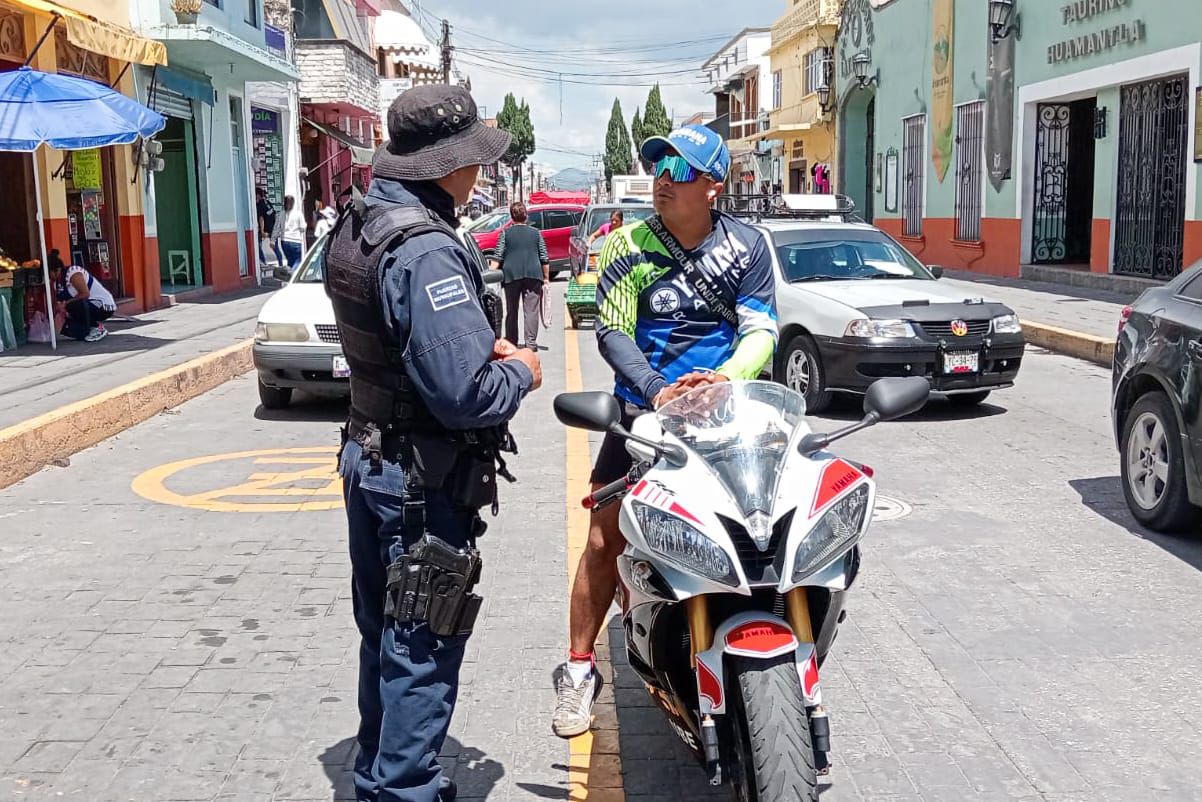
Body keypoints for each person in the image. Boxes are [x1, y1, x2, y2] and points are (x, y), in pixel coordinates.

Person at [326, 83, 542, 802]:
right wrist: (521, 373)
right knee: (421, 644)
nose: (480, 171)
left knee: (385, 638)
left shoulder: (362, 221)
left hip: (370, 456)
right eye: (473, 159)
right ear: (447, 164)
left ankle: (376, 779)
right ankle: (406, 790)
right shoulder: (423, 249)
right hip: (418, 482)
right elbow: (464, 394)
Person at [551, 124, 779, 737]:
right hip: (642, 418)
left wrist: (726, 380)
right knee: (604, 542)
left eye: (678, 171)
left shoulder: (749, 246)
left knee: (758, 532)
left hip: (725, 412)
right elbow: (613, 331)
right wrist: (657, 390)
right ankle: (577, 673)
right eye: (657, 169)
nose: (662, 182)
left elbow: (761, 328)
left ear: (713, 185)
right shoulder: (626, 244)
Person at [488, 201, 549, 351]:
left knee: (512, 310)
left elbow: (497, 257)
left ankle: (512, 341)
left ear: (511, 216)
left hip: (511, 275)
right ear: (526, 216)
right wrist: (546, 278)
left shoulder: (505, 233)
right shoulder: (536, 233)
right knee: (531, 310)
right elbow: (544, 258)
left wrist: (488, 277)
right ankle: (531, 343)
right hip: (534, 275)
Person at [47, 250, 116, 342]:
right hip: (86, 307)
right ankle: (85, 332)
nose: (48, 276)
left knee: (74, 305)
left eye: (49, 273)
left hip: (102, 306)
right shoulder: (57, 284)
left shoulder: (73, 274)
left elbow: (85, 294)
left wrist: (66, 303)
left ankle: (96, 327)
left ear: (56, 270)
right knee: (66, 327)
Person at [281, 195, 306, 270]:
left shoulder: (281, 214)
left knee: (290, 261)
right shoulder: (298, 214)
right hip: (296, 241)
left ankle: (288, 277)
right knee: (298, 260)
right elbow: (302, 228)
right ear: (293, 203)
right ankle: (293, 275)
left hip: (284, 241)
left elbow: (277, 228)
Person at [256, 187, 277, 268]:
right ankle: (279, 263)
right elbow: (273, 213)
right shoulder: (267, 202)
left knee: (258, 246)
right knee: (275, 248)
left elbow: (261, 218)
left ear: (257, 195)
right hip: (272, 227)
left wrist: (262, 230)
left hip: (264, 229)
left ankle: (262, 261)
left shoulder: (260, 205)